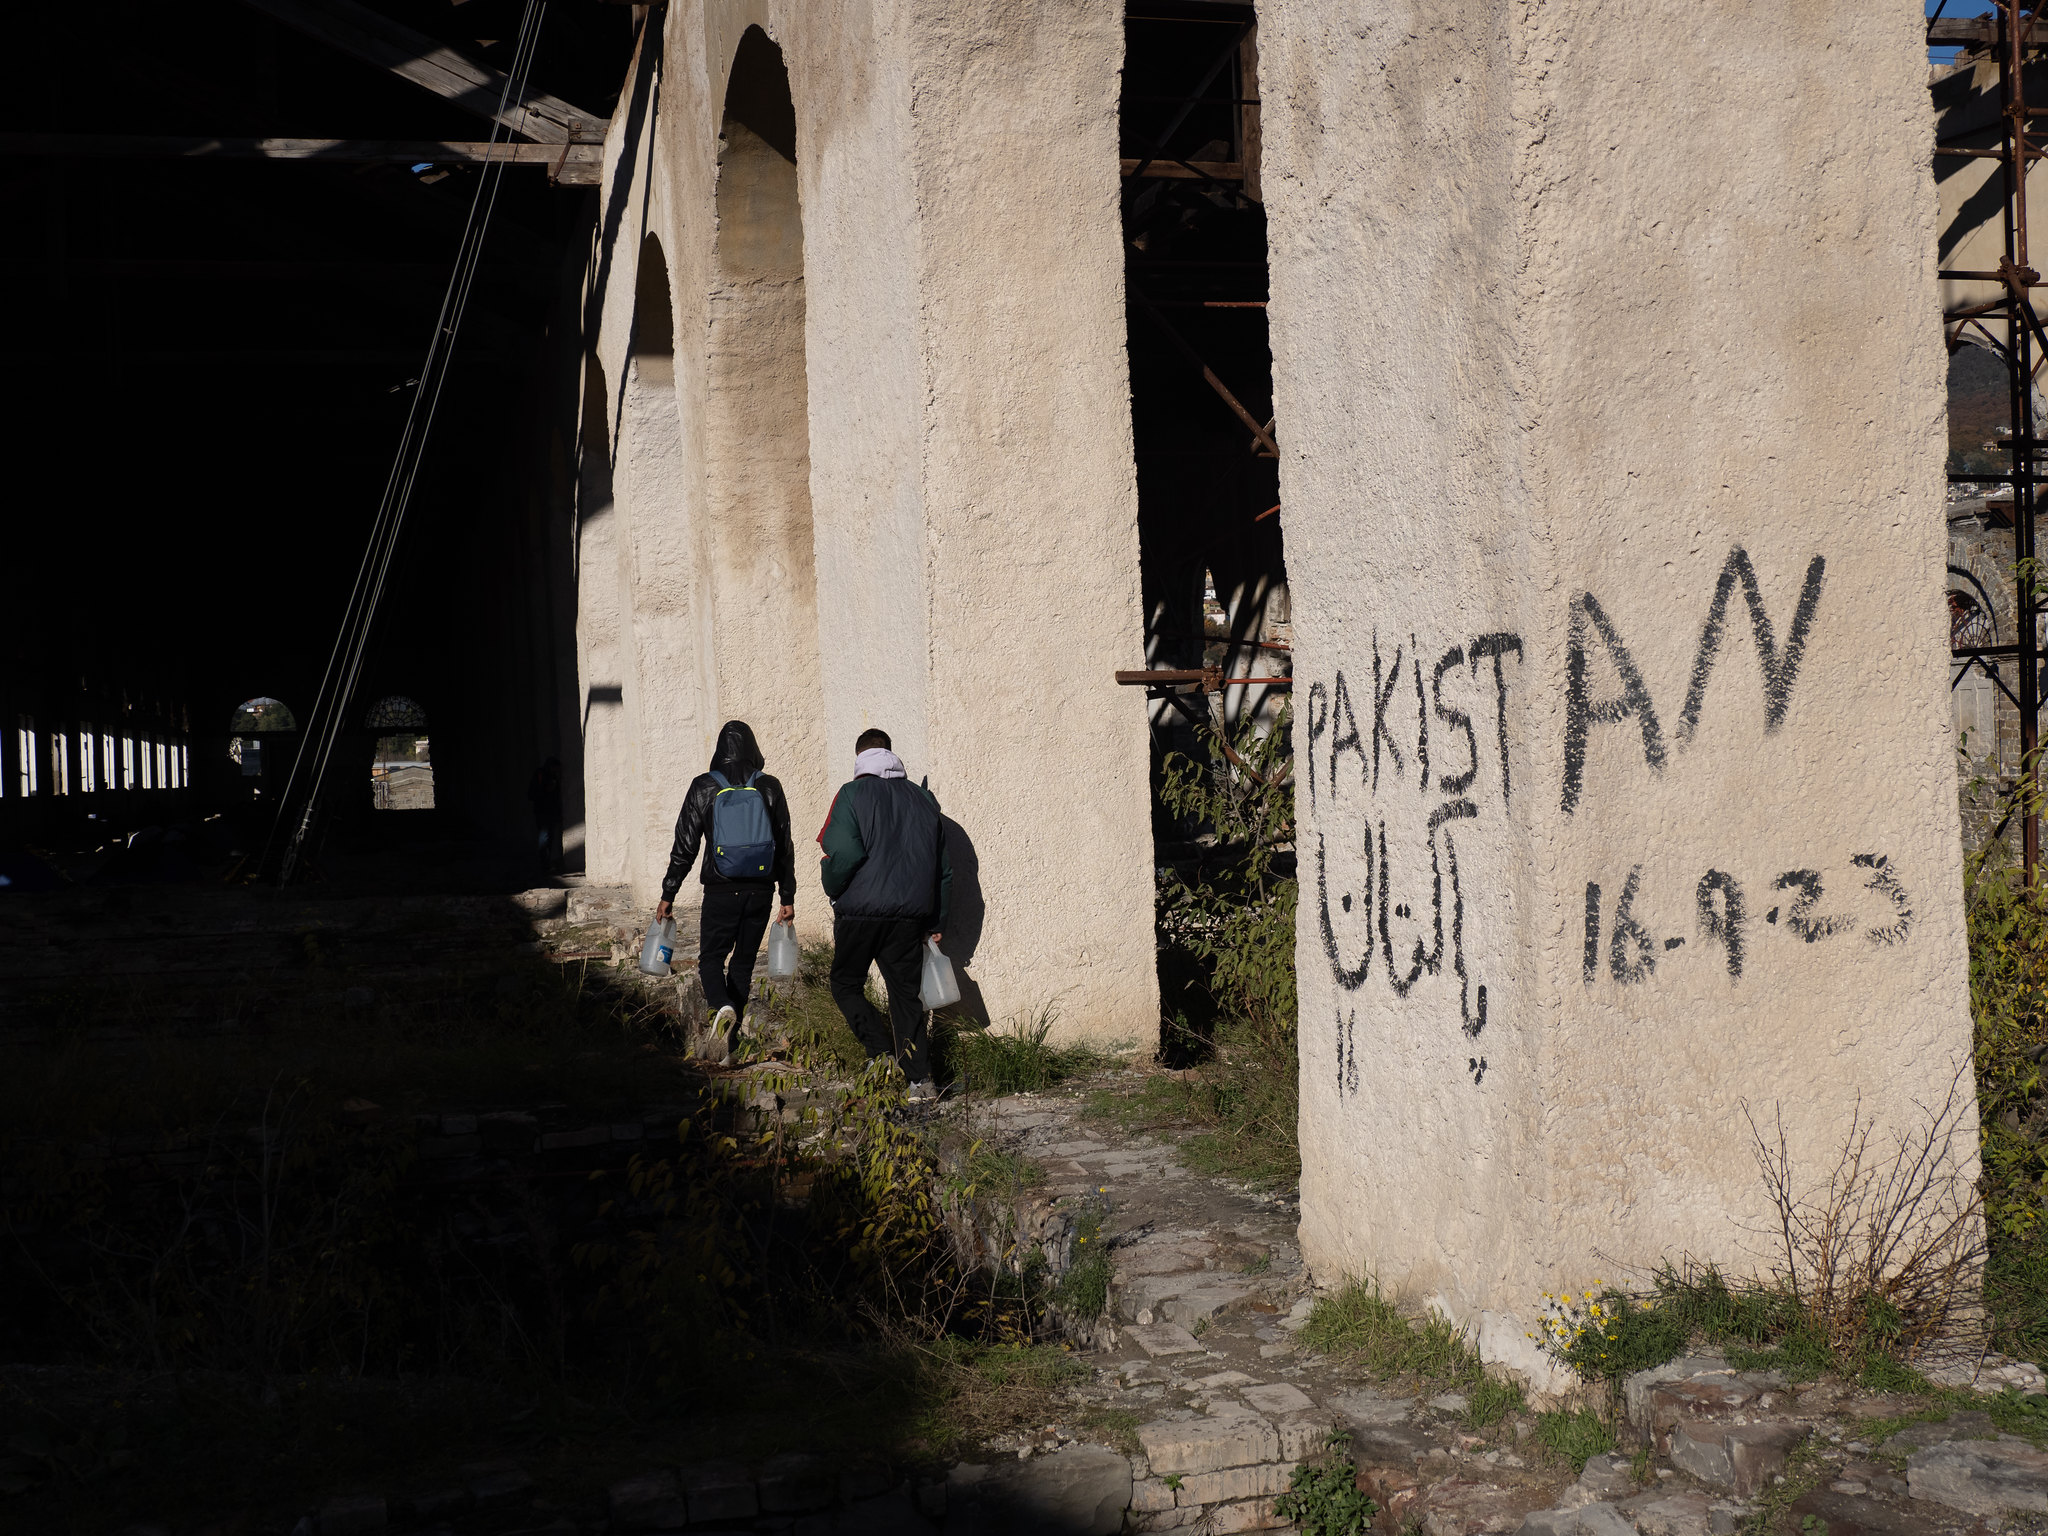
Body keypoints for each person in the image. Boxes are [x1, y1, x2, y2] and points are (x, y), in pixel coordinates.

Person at [817, 728, 951, 1100]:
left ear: (859, 758)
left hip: (859, 914)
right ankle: (920, 1082)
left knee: (845, 983)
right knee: (906, 996)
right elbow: (943, 868)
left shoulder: (850, 794)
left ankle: (880, 1054)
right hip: (909, 918)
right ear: (891, 755)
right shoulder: (923, 800)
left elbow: (843, 853)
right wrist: (937, 920)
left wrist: (831, 884)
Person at [655, 720, 796, 1042]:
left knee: (711, 958)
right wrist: (787, 896)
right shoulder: (769, 785)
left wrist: (669, 893)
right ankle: (731, 1039)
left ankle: (721, 1006)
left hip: (720, 889)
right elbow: (784, 845)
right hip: (760, 890)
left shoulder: (705, 785)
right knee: (744, 962)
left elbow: (685, 846)